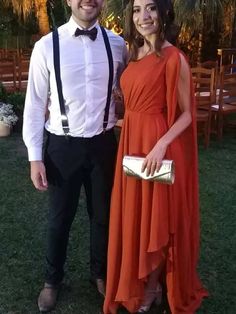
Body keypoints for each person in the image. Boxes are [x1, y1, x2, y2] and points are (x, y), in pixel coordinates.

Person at [103, 0, 208, 313]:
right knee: (135, 212)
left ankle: (152, 286)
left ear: (163, 14)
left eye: (150, 8)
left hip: (157, 144)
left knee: (156, 216)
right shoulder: (132, 54)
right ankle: (137, 279)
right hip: (132, 140)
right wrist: (121, 111)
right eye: (137, 10)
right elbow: (133, 96)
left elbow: (188, 114)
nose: (143, 16)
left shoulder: (175, 57)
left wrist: (162, 144)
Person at [23, 0, 127, 312]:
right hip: (62, 147)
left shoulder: (118, 45)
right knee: (59, 219)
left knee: (103, 217)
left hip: (103, 145)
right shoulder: (46, 46)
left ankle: (100, 274)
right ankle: (51, 281)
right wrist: (34, 157)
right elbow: (34, 102)